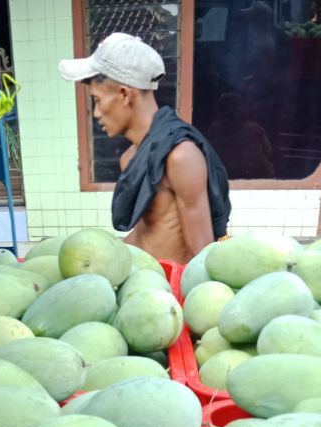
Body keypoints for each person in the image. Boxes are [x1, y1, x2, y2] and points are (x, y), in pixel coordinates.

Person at [59, 33, 231, 265]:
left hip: (167, 292)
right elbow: (145, 234)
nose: (96, 113)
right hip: (141, 281)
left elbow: (203, 258)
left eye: (97, 100)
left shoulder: (181, 157)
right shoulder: (133, 158)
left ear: (124, 94)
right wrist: (101, 258)